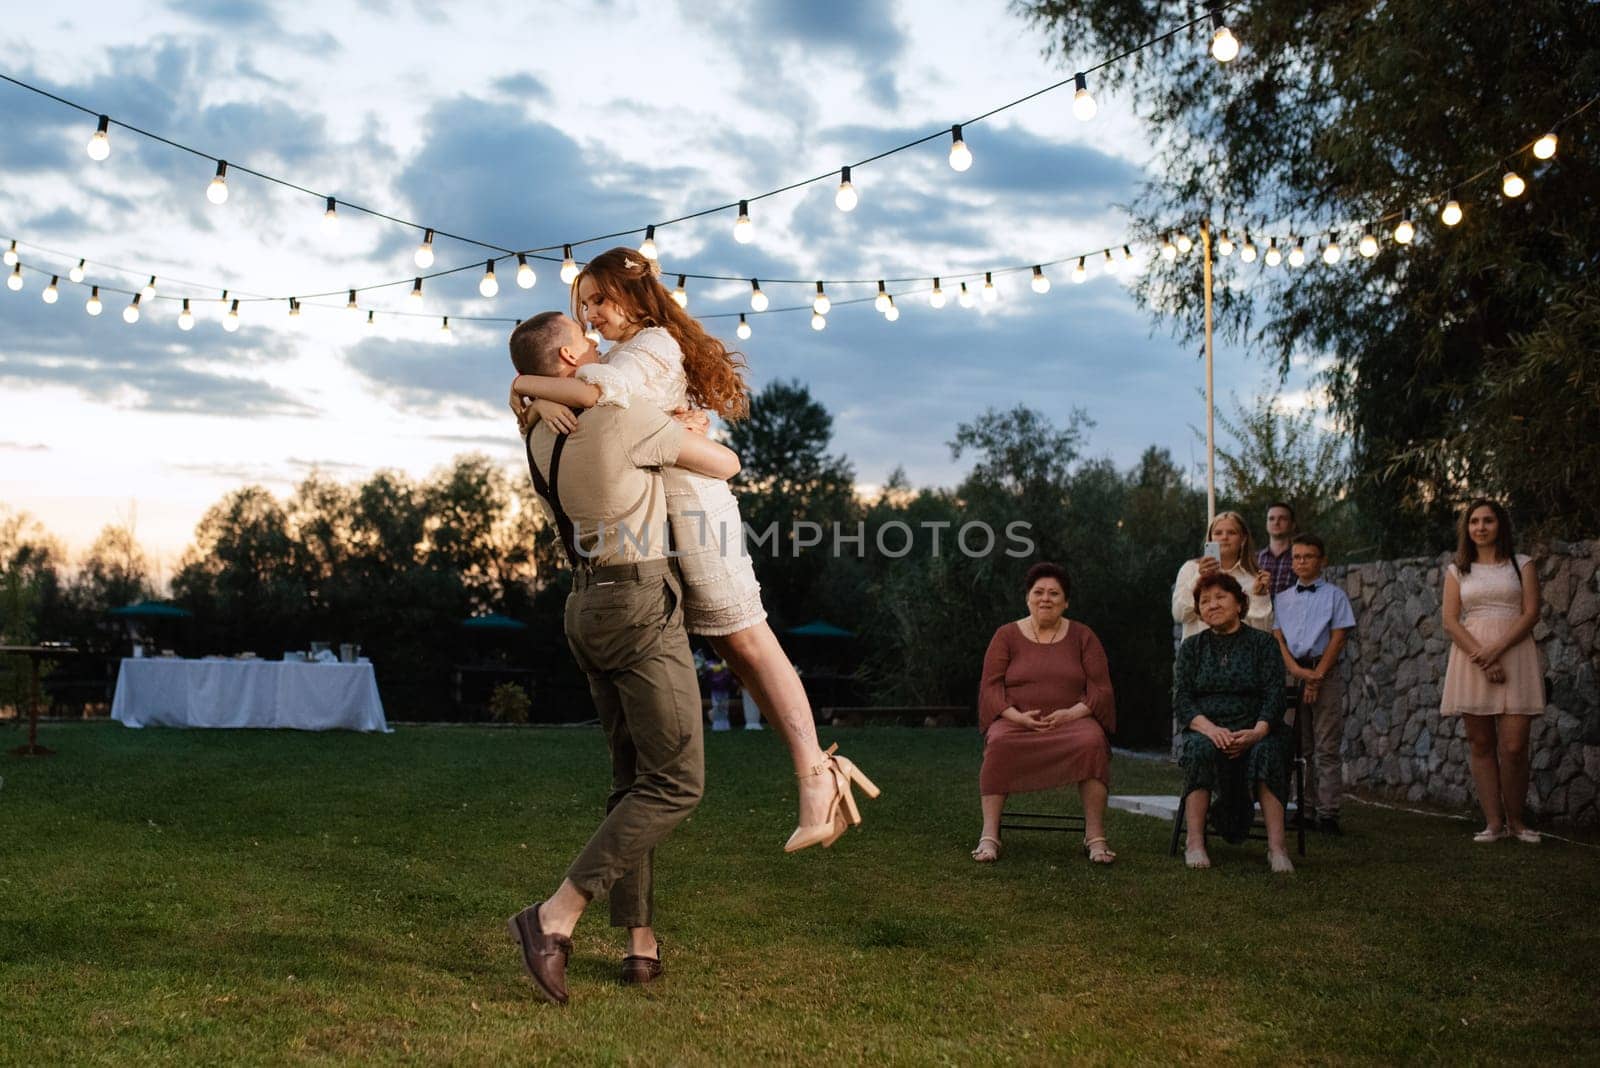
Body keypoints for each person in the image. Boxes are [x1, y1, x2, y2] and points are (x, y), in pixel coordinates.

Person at [509, 248, 876, 852]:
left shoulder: (651, 345)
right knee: (733, 649)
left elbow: (607, 392)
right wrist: (539, 395)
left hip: (699, 507)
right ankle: (815, 769)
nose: (593, 314)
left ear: (633, 296)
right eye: (586, 306)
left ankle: (815, 775)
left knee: (748, 635)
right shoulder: (619, 354)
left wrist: (525, 385)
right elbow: (598, 392)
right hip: (664, 519)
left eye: (599, 300)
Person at [502, 310, 743, 1004]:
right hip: (637, 604)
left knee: (633, 776)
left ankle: (639, 941)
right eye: (589, 340)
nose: (601, 345)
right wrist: (684, 432)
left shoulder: (539, 432)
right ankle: (554, 917)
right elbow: (726, 465)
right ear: (575, 355)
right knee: (677, 782)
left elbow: (533, 396)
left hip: (583, 606)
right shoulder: (618, 416)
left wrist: (530, 389)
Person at [973, 562, 1118, 865]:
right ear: (1027, 598)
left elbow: (1100, 689)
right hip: (1018, 723)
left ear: (1066, 601)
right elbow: (990, 688)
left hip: (1072, 722)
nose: (1046, 598)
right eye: (1038, 592)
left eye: (1054, 593)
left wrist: (1071, 714)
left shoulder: (1083, 636)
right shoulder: (1006, 635)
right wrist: (1016, 717)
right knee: (998, 742)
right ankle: (989, 835)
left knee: (1093, 742)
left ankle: (1095, 836)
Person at [1440, 498, 1544, 844]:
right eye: (1474, 522)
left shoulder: (1522, 564)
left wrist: (1496, 651)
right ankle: (1494, 823)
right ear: (1466, 529)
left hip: (1515, 655)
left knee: (1514, 745)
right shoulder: (1458, 570)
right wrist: (1481, 657)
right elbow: (1450, 621)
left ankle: (1518, 821)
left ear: (1501, 525)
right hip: (1471, 657)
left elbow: (1531, 614)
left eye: (1487, 521)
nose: (1480, 527)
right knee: (1481, 742)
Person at [1174, 572, 1294, 873]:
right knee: (1199, 750)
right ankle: (1195, 843)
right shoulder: (1191, 648)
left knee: (1268, 751)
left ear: (1240, 604)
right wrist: (1212, 730)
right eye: (1204, 601)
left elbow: (1275, 695)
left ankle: (1277, 849)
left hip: (1256, 729)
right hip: (1207, 729)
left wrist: (1257, 732)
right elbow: (1183, 701)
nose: (1212, 605)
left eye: (1220, 598)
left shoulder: (1263, 644)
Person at [1272, 533, 1356, 833]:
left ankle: (1328, 812)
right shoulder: (1281, 598)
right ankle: (1303, 808)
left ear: (1322, 561)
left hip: (1324, 672)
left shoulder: (1334, 596)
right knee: (1299, 745)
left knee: (1326, 745)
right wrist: (1297, 671)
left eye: (1308, 556)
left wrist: (1317, 676)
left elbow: (1338, 636)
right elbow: (1278, 636)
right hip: (1294, 673)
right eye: (1296, 557)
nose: (1302, 562)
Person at [1172, 511, 1273, 639]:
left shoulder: (1254, 579)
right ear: (1210, 538)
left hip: (1239, 655)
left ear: (1243, 539)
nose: (1224, 537)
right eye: (1218, 533)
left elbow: (1263, 632)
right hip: (1198, 655)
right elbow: (1179, 614)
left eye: (1231, 532)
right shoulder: (1190, 569)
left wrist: (1260, 597)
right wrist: (1199, 577)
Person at [1257, 501, 1299, 597]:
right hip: (1260, 610)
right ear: (1266, 524)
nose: (1276, 522)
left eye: (1282, 518)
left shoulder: (1299, 558)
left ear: (1293, 525)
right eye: (1271, 519)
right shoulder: (1255, 558)